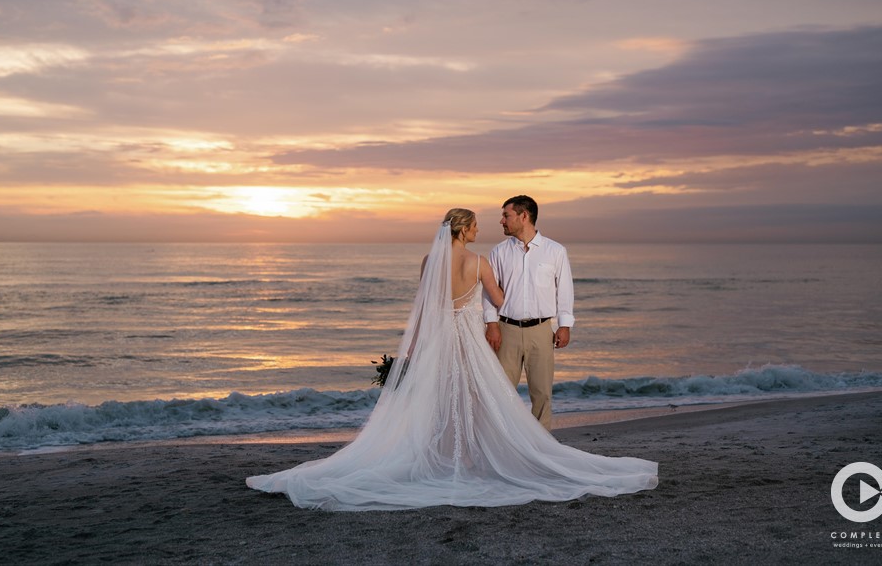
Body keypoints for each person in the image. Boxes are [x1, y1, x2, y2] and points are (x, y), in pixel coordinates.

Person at [246, 208, 658, 511]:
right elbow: (498, 299)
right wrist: (500, 293)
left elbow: (423, 308)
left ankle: (445, 454)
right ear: (464, 230)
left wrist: (412, 349)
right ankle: (477, 456)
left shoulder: (429, 261)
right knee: (482, 397)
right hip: (467, 337)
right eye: (476, 224)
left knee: (438, 396)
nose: (482, 229)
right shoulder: (478, 262)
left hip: (436, 339)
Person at [483, 195, 573, 430]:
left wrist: (565, 325)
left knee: (542, 394)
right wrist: (491, 324)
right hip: (506, 330)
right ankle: (503, 443)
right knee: (501, 393)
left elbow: (564, 290)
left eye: (506, 215)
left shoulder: (555, 251)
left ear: (524, 216)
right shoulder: (499, 252)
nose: (501, 221)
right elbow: (489, 292)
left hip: (542, 331)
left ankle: (541, 447)